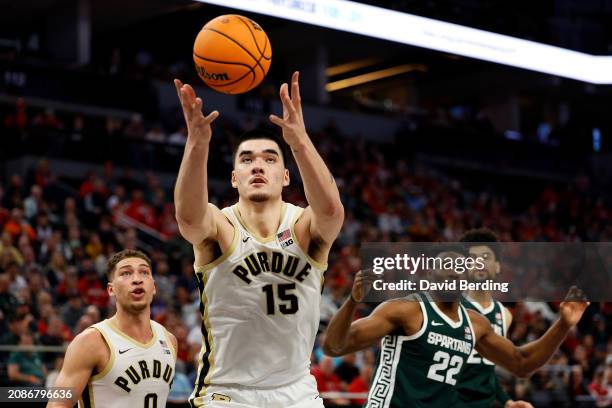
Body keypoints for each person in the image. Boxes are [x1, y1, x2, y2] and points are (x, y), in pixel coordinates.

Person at [173, 71, 344, 407]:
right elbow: (188, 218)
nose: (257, 166)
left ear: (284, 176)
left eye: (269, 159)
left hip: (297, 391)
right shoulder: (221, 225)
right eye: (247, 160)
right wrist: (197, 144)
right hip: (228, 392)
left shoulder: (304, 226)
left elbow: (332, 212)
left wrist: (299, 142)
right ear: (235, 178)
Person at [322, 246, 589, 407]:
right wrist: (352, 302)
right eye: (445, 267)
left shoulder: (475, 323)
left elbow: (522, 363)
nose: (452, 272)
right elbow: (334, 346)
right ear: (429, 275)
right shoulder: (405, 310)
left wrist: (563, 324)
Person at [47, 249, 177, 408]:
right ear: (111, 289)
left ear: (154, 287)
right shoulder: (90, 341)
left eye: (144, 272)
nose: (137, 279)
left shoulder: (169, 340)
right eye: (126, 273)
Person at [458, 228, 533, 408]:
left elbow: (487, 371)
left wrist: (507, 402)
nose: (479, 263)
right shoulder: (448, 308)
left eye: (485, 257)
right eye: (472, 259)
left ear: (498, 266)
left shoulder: (504, 315)